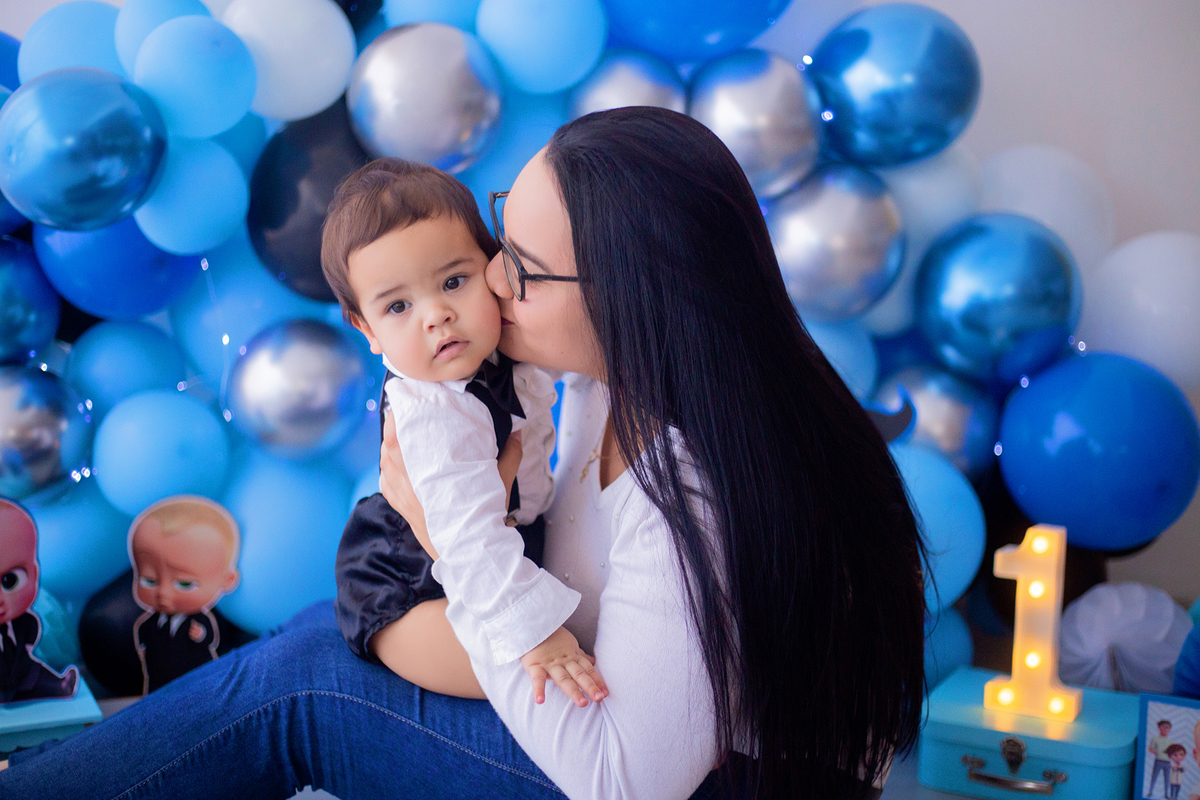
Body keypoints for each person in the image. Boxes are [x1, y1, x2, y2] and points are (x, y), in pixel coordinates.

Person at [0, 107, 925, 799]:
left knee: (305, 682)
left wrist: (447, 540)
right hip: (639, 731)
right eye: (499, 237)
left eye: (521, 267)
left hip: (692, 785)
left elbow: (625, 782)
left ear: (633, 295)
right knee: (327, 632)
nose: (490, 280)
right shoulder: (606, 381)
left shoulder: (690, 484)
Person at [322, 157, 605, 706]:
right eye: (398, 306)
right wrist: (537, 633)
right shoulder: (433, 412)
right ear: (367, 329)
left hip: (504, 547)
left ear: (493, 268)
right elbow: (468, 540)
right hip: (411, 584)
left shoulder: (501, 346)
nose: (436, 315)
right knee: (542, 686)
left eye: (454, 282)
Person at [129, 495, 242, 695]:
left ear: (227, 580)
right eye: (149, 580)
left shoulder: (199, 622)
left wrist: (201, 635)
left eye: (184, 584)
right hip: (158, 682)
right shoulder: (150, 622)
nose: (163, 593)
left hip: (196, 686)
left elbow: (209, 637)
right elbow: (145, 635)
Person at [0, 499, 79, 704]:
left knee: (35, 673)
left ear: (34, 574)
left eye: (9, 581)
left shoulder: (24, 622)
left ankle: (60, 686)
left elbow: (29, 636)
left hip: (21, 671)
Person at [1151, 719, 1176, 796]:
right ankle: (1150, 791)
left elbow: (1173, 753)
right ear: (1159, 727)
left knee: (1167, 779)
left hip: (1167, 762)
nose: (1165, 729)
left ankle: (1166, 794)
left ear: (1170, 729)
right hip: (1158, 760)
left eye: (1167, 727)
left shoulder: (1171, 742)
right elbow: (1151, 749)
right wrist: (1156, 751)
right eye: (1163, 727)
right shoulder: (1155, 739)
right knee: (1154, 777)